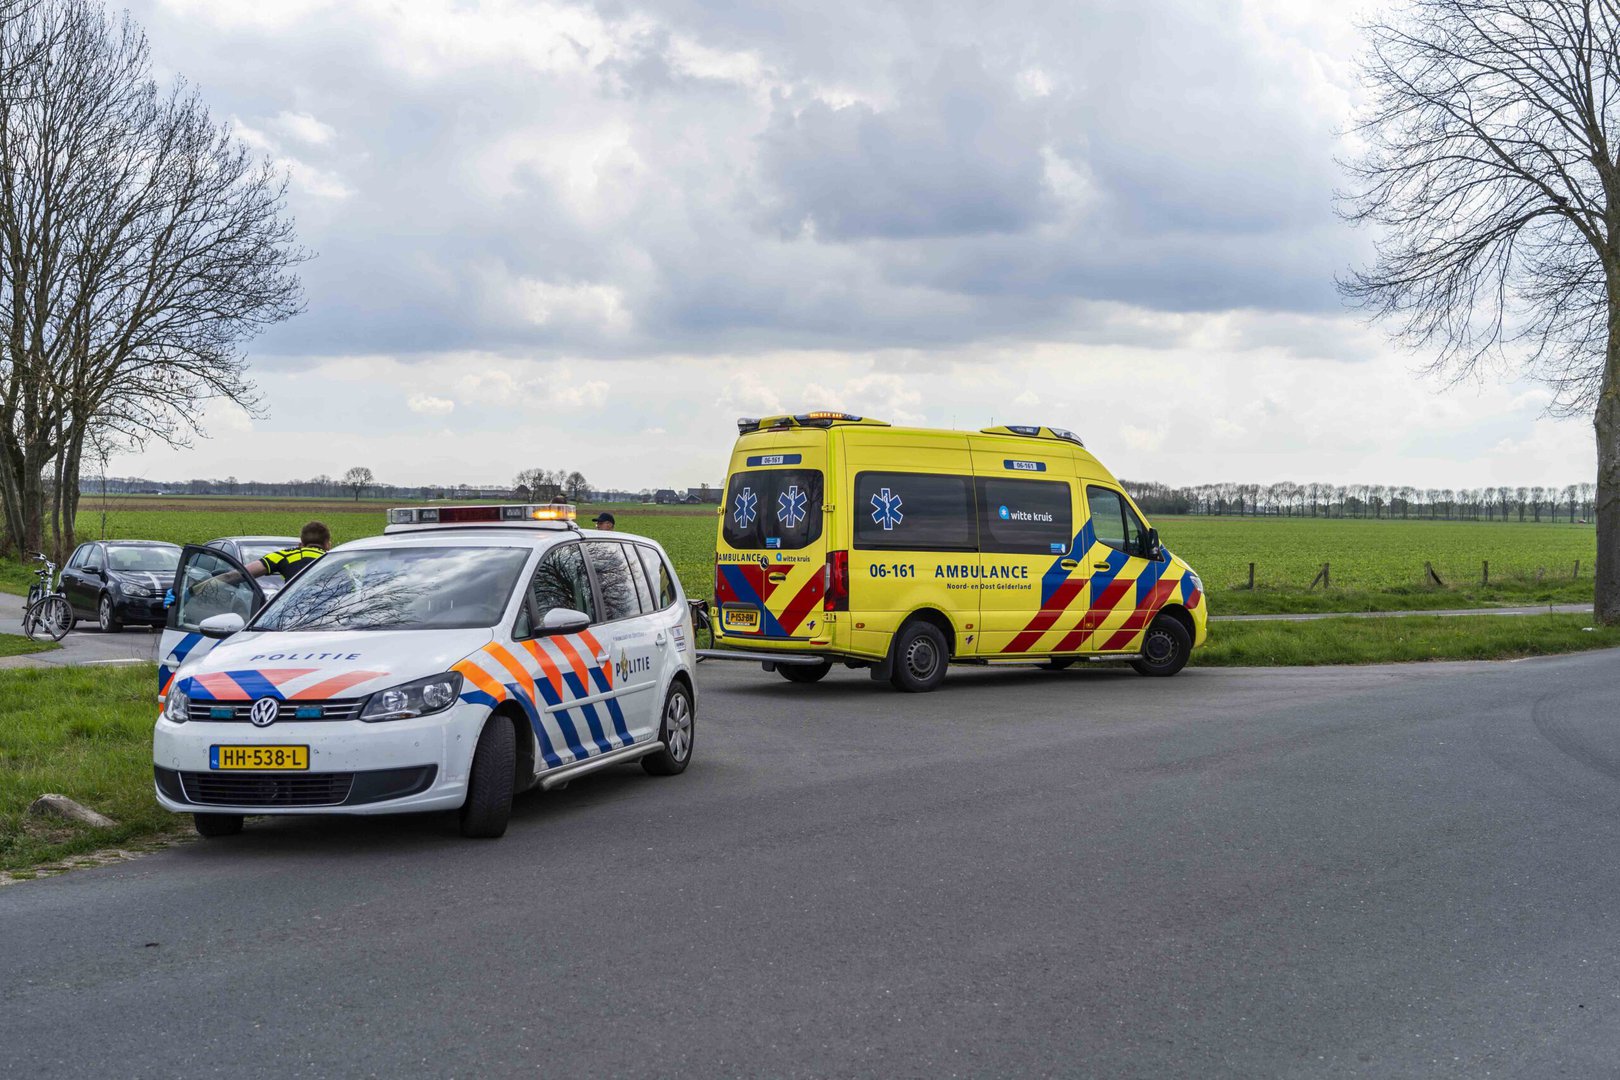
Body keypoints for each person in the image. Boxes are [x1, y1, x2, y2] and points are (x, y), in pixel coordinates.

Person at [247, 521, 332, 581]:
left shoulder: (284, 556)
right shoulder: (334, 559)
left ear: (301, 544)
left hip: (293, 605)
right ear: (327, 544)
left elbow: (244, 572)